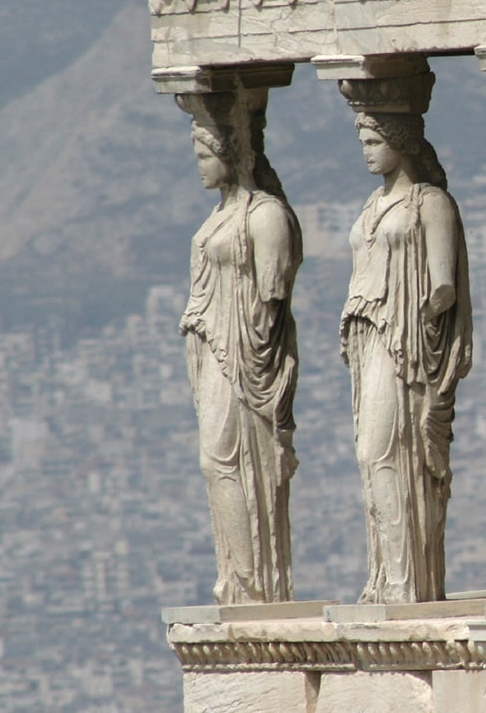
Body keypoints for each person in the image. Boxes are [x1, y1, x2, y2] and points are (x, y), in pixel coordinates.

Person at [341, 112, 472, 604]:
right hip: (368, 339)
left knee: (387, 451)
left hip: (407, 346)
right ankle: (386, 577)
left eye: (375, 140)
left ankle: (407, 582)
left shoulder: (431, 204)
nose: (367, 150)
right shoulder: (372, 204)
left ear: (400, 141)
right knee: (370, 455)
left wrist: (410, 315)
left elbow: (443, 286)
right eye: (363, 141)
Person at [180, 114, 302, 605]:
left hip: (247, 353)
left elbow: (272, 291)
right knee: (215, 461)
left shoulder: (266, 214)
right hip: (213, 347)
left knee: (229, 460)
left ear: (232, 156)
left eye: (207, 157)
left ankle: (257, 585)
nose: (201, 168)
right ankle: (237, 579)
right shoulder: (217, 217)